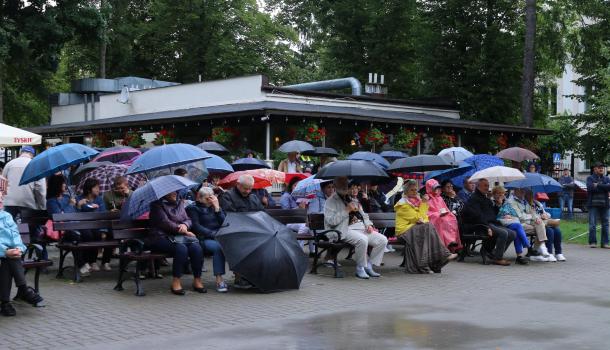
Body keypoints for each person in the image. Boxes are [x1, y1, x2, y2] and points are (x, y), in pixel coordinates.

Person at [324, 176, 388, 279]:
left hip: (360, 228)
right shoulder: (331, 201)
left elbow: (364, 215)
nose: (345, 186)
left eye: (346, 184)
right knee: (362, 240)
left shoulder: (352, 199)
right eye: (342, 184)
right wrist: (346, 210)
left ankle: (369, 266)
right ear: (336, 186)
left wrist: (369, 224)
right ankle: (360, 268)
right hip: (342, 229)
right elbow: (331, 221)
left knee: (382, 240)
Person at [394, 180, 458, 274]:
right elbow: (418, 218)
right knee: (427, 228)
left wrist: (422, 206)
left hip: (416, 228)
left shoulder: (417, 201)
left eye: (416, 190)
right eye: (412, 190)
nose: (415, 192)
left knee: (428, 227)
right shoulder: (402, 204)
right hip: (404, 231)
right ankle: (439, 258)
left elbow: (424, 218)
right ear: (406, 192)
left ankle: (432, 264)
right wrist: (424, 204)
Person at [148, 191, 205, 295]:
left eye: (175, 191)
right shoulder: (156, 205)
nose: (175, 193)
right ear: (164, 193)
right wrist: (184, 230)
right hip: (160, 237)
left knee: (196, 248)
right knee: (181, 249)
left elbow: (188, 219)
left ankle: (197, 280)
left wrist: (185, 224)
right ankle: (176, 281)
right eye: (171, 192)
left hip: (178, 236)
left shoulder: (180, 203)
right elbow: (165, 223)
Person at [1, 192, 44, 316]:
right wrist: (4, 251)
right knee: (9, 258)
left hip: (8, 253)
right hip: (3, 251)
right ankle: (23, 289)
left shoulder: (6, 216)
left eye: (1, 198)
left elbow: (15, 235)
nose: (0, 200)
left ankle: (5, 303)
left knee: (9, 260)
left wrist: (19, 249)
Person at [220, 175, 263, 288]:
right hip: (234, 231)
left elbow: (262, 214)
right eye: (245, 188)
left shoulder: (253, 197)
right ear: (238, 185)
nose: (248, 191)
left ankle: (254, 275)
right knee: (243, 244)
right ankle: (240, 277)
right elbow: (230, 216)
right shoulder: (228, 196)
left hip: (253, 231)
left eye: (250, 188)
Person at [461, 179, 516, 266]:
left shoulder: (486, 199)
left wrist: (498, 205)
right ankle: (498, 258)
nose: (487, 187)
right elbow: (477, 216)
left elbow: (493, 214)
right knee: (503, 233)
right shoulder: (474, 198)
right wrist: (487, 227)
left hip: (491, 223)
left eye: (488, 185)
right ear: (478, 186)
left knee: (512, 233)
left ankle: (494, 253)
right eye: (485, 185)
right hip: (479, 225)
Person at [186, 187, 228, 293]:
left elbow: (224, 222)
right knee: (218, 248)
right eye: (207, 198)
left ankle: (240, 276)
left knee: (234, 244)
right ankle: (219, 279)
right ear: (199, 198)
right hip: (202, 238)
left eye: (211, 198)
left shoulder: (214, 206)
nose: (210, 201)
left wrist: (217, 208)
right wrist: (213, 234)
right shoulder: (193, 208)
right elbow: (196, 226)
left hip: (219, 237)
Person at [75, 178, 114, 272]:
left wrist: (104, 230)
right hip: (85, 226)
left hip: (98, 225)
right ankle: (92, 261)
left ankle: (106, 262)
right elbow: (76, 216)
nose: (98, 190)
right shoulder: (79, 199)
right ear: (89, 189)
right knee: (92, 234)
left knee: (112, 233)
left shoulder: (99, 199)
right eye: (96, 188)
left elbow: (103, 215)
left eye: (98, 188)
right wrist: (79, 206)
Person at [505, 188, 553, 262]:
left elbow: (531, 212)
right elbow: (520, 216)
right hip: (518, 223)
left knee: (540, 224)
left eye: (523, 190)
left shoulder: (524, 201)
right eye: (520, 190)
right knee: (540, 229)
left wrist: (537, 218)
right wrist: (532, 216)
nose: (523, 192)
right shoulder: (512, 202)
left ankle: (538, 248)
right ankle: (533, 250)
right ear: (515, 191)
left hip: (527, 222)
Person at [2, 146, 46, 221]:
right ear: (32, 155)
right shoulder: (36, 165)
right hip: (28, 202)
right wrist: (42, 206)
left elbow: (2, 183)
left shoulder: (9, 164)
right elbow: (40, 188)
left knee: (8, 228)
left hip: (9, 202)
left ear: (20, 153)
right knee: (28, 229)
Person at [493, 186, 530, 265]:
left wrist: (509, 215)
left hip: (508, 222)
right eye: (498, 193)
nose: (500, 195)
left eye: (502, 193)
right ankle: (527, 245)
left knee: (516, 230)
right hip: (498, 224)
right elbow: (494, 215)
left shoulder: (506, 202)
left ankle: (519, 256)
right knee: (517, 226)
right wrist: (498, 205)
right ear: (494, 194)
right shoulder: (491, 202)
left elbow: (510, 212)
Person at [424, 179, 462, 251]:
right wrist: (438, 214)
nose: (436, 189)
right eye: (434, 188)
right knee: (444, 221)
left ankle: (452, 241)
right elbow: (427, 212)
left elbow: (445, 208)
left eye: (437, 188)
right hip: (433, 217)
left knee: (452, 219)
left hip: (442, 215)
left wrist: (449, 213)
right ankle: (448, 242)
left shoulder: (439, 198)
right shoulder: (428, 198)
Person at [529, 193, 566, 261]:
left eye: (532, 195)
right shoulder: (527, 205)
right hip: (536, 224)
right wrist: (540, 217)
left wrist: (546, 215)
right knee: (550, 231)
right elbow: (530, 215)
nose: (532, 197)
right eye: (530, 196)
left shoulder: (538, 203)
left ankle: (558, 253)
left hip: (544, 221)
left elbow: (545, 212)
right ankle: (549, 253)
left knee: (557, 230)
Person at [586, 162, 610, 248]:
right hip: (593, 204)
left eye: (602, 168)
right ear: (595, 169)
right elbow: (590, 188)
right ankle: (593, 242)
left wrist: (598, 185)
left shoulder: (607, 178)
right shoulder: (590, 178)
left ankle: (605, 243)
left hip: (605, 204)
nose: (601, 169)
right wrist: (604, 187)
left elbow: (609, 187)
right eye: (599, 167)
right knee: (592, 224)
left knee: (606, 224)